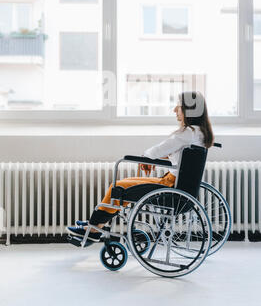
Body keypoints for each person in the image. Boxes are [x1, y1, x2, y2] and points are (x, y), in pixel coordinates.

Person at [67, 91, 214, 242]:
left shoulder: (186, 133)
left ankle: (93, 228)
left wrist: (146, 158)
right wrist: (154, 157)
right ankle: (96, 225)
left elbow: (155, 151)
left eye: (179, 106)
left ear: (189, 109)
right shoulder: (200, 133)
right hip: (179, 186)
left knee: (118, 187)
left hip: (170, 185)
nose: (175, 109)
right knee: (123, 185)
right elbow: (178, 154)